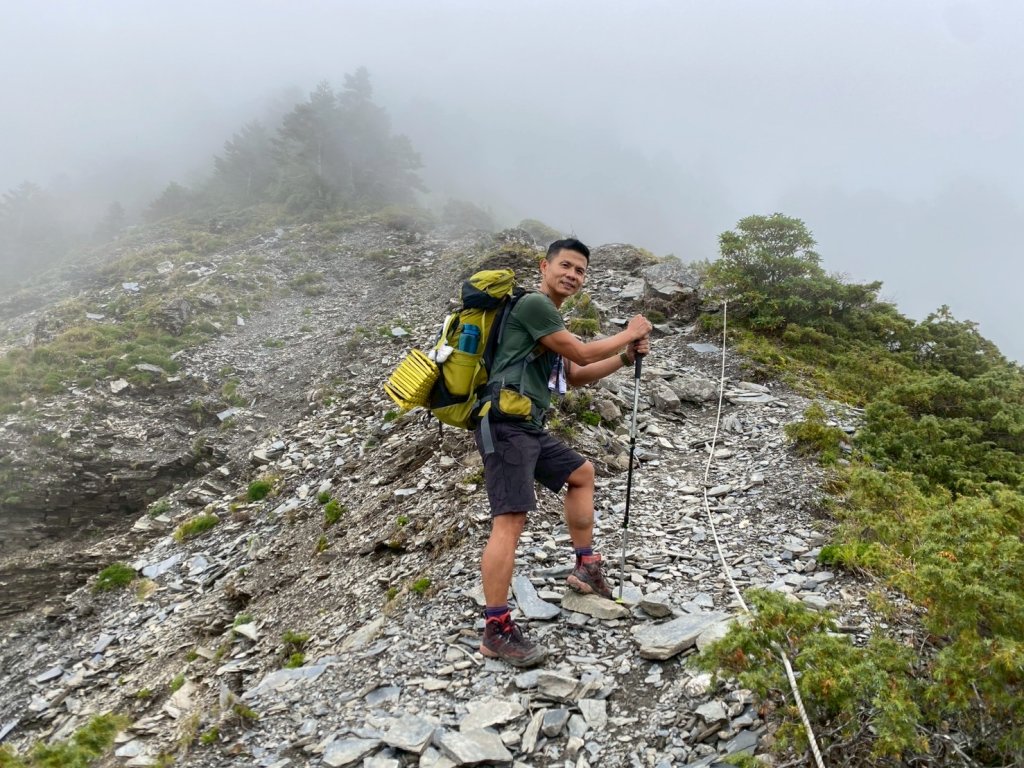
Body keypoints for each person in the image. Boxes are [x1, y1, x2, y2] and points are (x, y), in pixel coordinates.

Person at [475, 238, 653, 667]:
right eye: (567, 266)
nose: (573, 275)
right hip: (505, 423)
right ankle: (496, 629)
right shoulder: (535, 305)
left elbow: (575, 373)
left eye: (581, 271)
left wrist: (626, 358)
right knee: (510, 520)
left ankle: (585, 565)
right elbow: (578, 351)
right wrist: (629, 332)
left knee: (581, 473)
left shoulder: (550, 317)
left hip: (528, 425)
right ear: (545, 266)